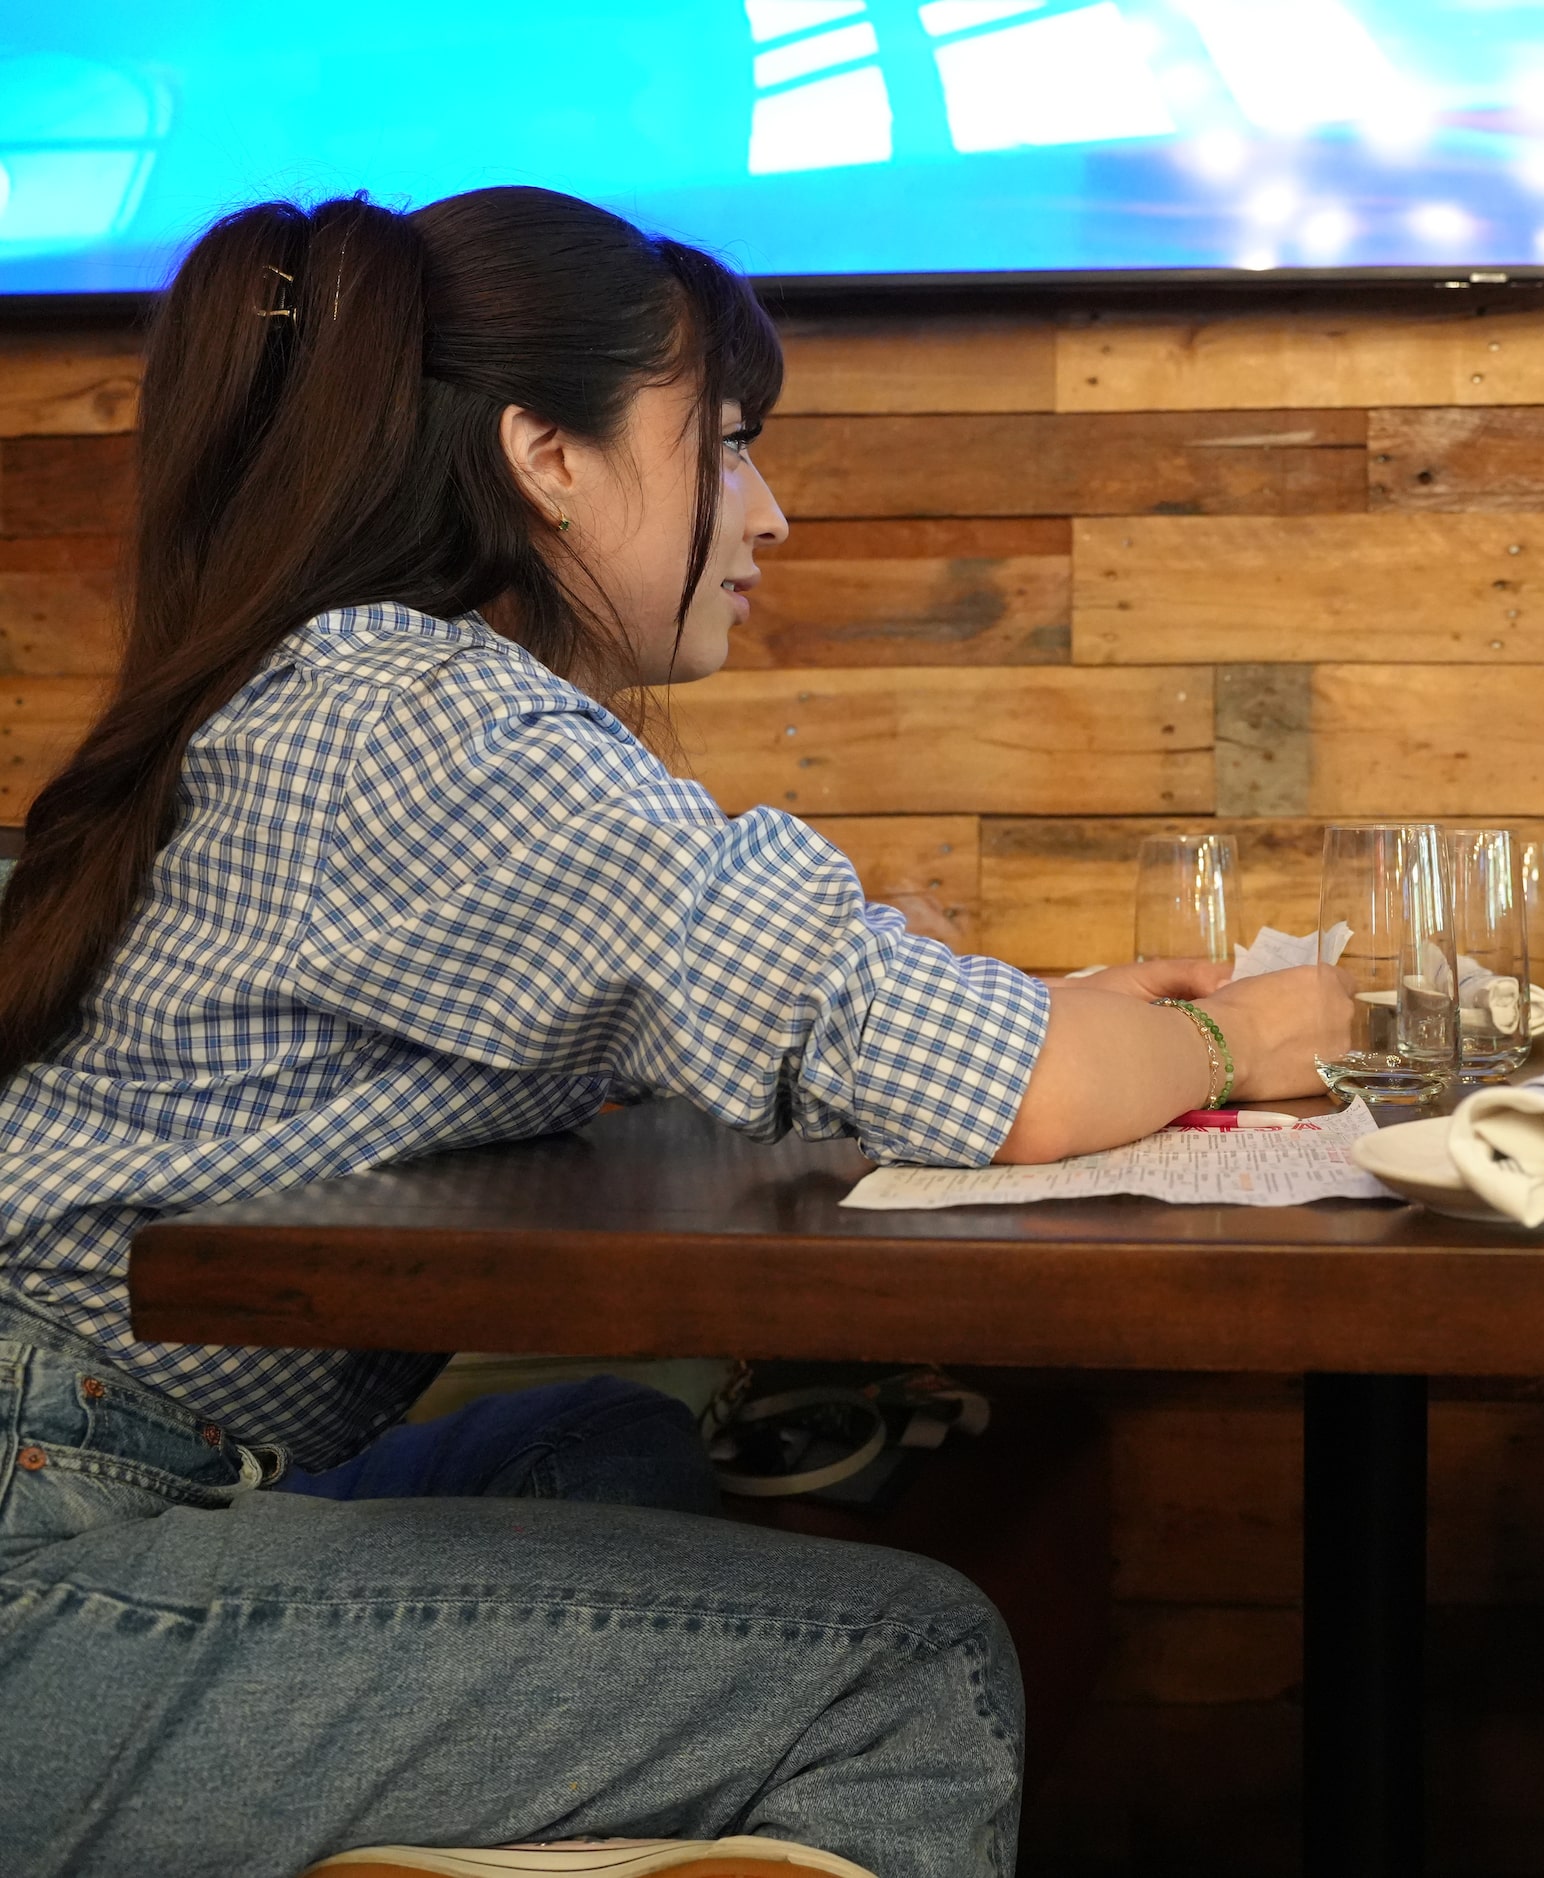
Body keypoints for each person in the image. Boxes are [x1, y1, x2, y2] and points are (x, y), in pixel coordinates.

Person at [0, 188, 1348, 1878]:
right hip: (45, 1553)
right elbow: (1007, 1090)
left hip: (108, 1475)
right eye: (720, 446)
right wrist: (1241, 1038)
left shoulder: (345, 685)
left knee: (606, 1445)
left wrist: (1019, 1012)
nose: (767, 510)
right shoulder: (431, 716)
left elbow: (805, 1006)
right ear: (542, 457)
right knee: (910, 1669)